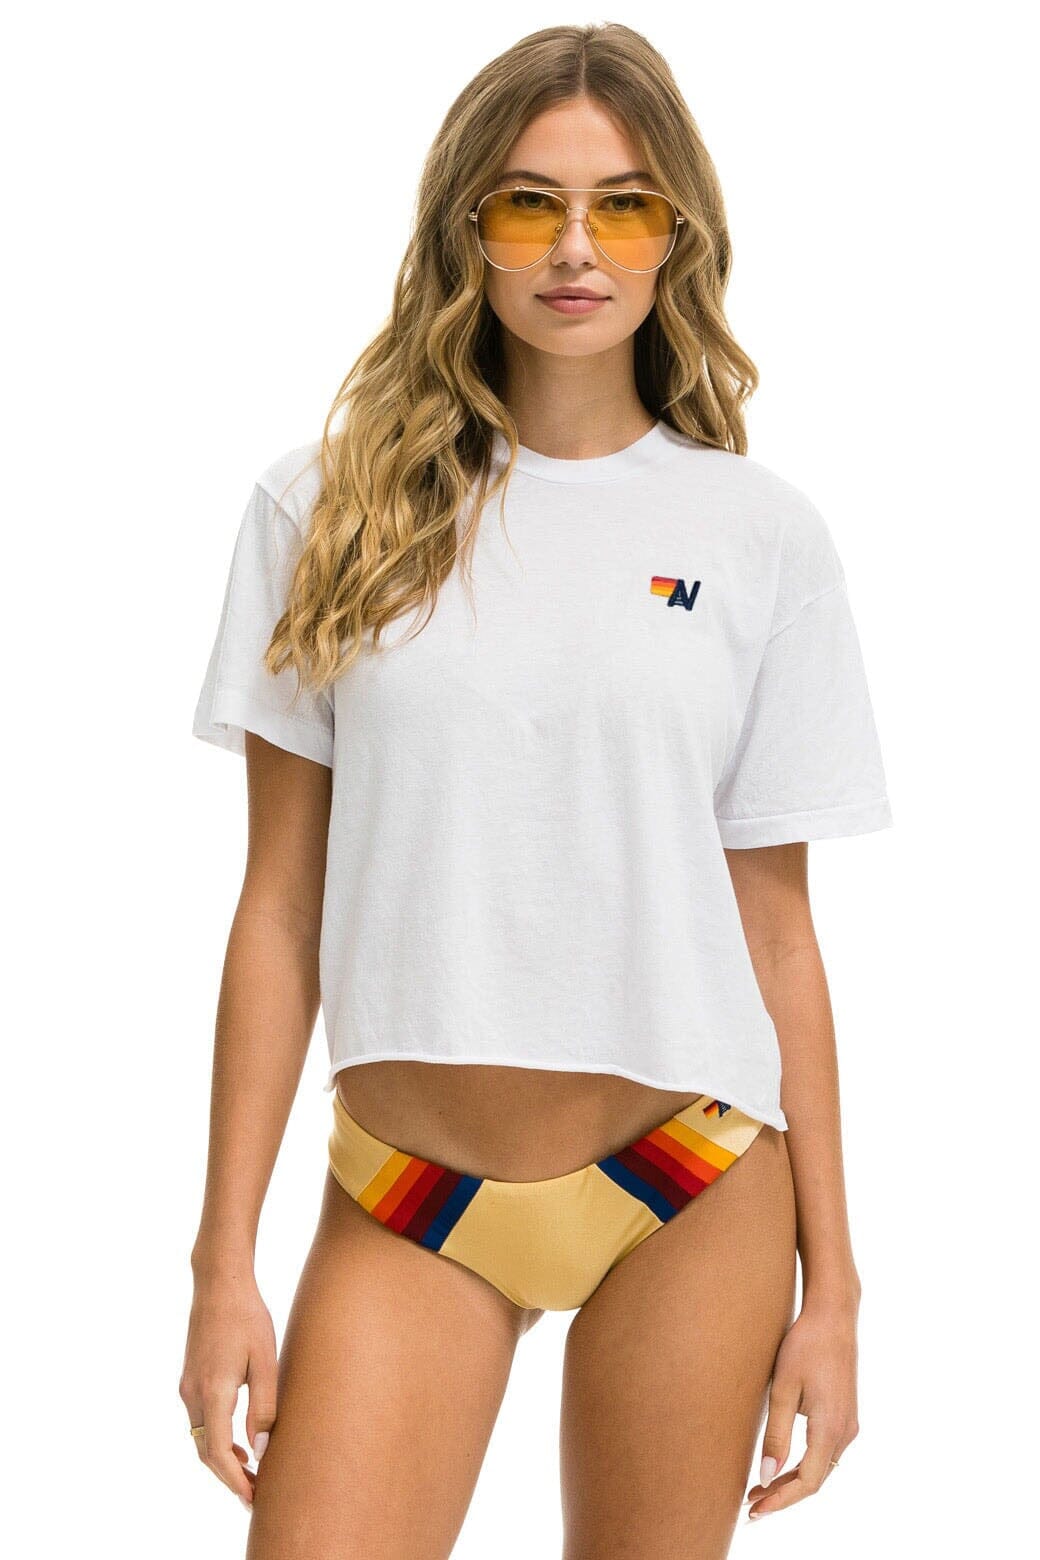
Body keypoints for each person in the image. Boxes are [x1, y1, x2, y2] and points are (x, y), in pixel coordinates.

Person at [181, 22, 892, 1559]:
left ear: (675, 234)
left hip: (691, 1177)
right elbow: (278, 910)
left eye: (623, 205)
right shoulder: (325, 510)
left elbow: (780, 934)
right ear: (468, 229)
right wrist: (221, 1263)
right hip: (409, 1189)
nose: (577, 248)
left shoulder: (758, 534)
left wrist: (834, 1289)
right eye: (530, 203)